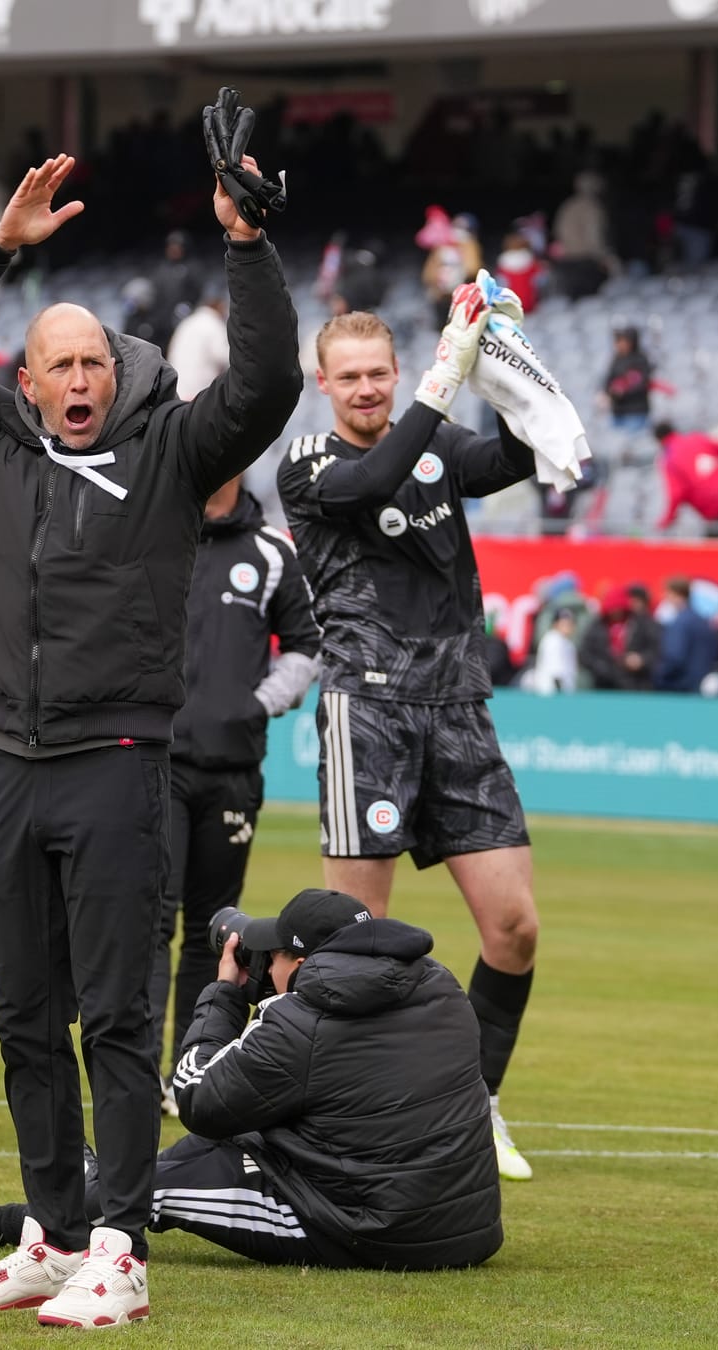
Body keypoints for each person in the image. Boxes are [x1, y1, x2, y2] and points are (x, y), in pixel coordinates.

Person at [0, 143, 301, 1328]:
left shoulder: (170, 453)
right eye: (55, 364)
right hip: (5, 770)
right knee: (22, 1017)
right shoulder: (0, 446)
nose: (76, 378)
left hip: (118, 768)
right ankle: (49, 1230)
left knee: (113, 1018)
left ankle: (118, 1246)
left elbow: (266, 386)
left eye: (90, 362)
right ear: (23, 384)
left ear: (114, 375)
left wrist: (244, 243)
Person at [276, 302, 544, 1184]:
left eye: (377, 373)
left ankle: (475, 1106)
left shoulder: (433, 437)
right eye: (348, 376)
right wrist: (441, 380)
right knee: (359, 943)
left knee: (513, 928)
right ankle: (338, 1121)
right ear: (324, 384)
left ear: (395, 374)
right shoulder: (311, 462)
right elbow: (371, 483)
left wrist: (514, 380)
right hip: (370, 712)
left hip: (459, 704)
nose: (364, 388)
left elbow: (505, 459)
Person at [0, 890, 501, 1275]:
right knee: (244, 1133)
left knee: (155, 1183)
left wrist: (225, 995)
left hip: (367, 1230)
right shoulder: (441, 988)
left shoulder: (301, 1022)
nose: (265, 968)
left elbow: (196, 1097)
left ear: (301, 961)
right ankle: (90, 1179)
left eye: (274, 957)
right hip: (465, 1227)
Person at [148, 475, 320, 1108]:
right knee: (150, 920)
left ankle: (185, 1072)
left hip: (232, 767)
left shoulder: (273, 552)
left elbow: (307, 645)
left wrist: (254, 705)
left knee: (213, 930)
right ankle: (140, 1076)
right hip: (153, 758)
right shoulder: (152, 526)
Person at [653, 421, 718, 532]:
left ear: (659, 441)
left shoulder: (668, 460)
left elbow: (676, 494)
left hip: (712, 509)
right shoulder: (696, 438)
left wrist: (667, 520)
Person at [654, 578, 718, 693]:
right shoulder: (702, 621)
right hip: (702, 686)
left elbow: (674, 658)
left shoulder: (680, 623)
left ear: (676, 594)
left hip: (681, 688)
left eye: (667, 594)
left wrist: (658, 677)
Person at [165, 297, 229, 402]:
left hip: (176, 386)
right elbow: (222, 356)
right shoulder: (214, 325)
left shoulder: (188, 322)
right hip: (199, 391)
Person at [600, 327, 654, 431]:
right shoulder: (616, 359)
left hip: (636, 412)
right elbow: (608, 380)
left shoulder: (640, 359)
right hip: (618, 412)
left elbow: (643, 383)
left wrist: (623, 391)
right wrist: (611, 392)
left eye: (622, 341)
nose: (618, 344)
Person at [525, 608, 580, 694]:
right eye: (563, 623)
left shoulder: (568, 644)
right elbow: (556, 674)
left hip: (564, 692)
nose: (567, 626)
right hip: (550, 693)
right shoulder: (552, 640)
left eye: (570, 623)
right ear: (555, 624)